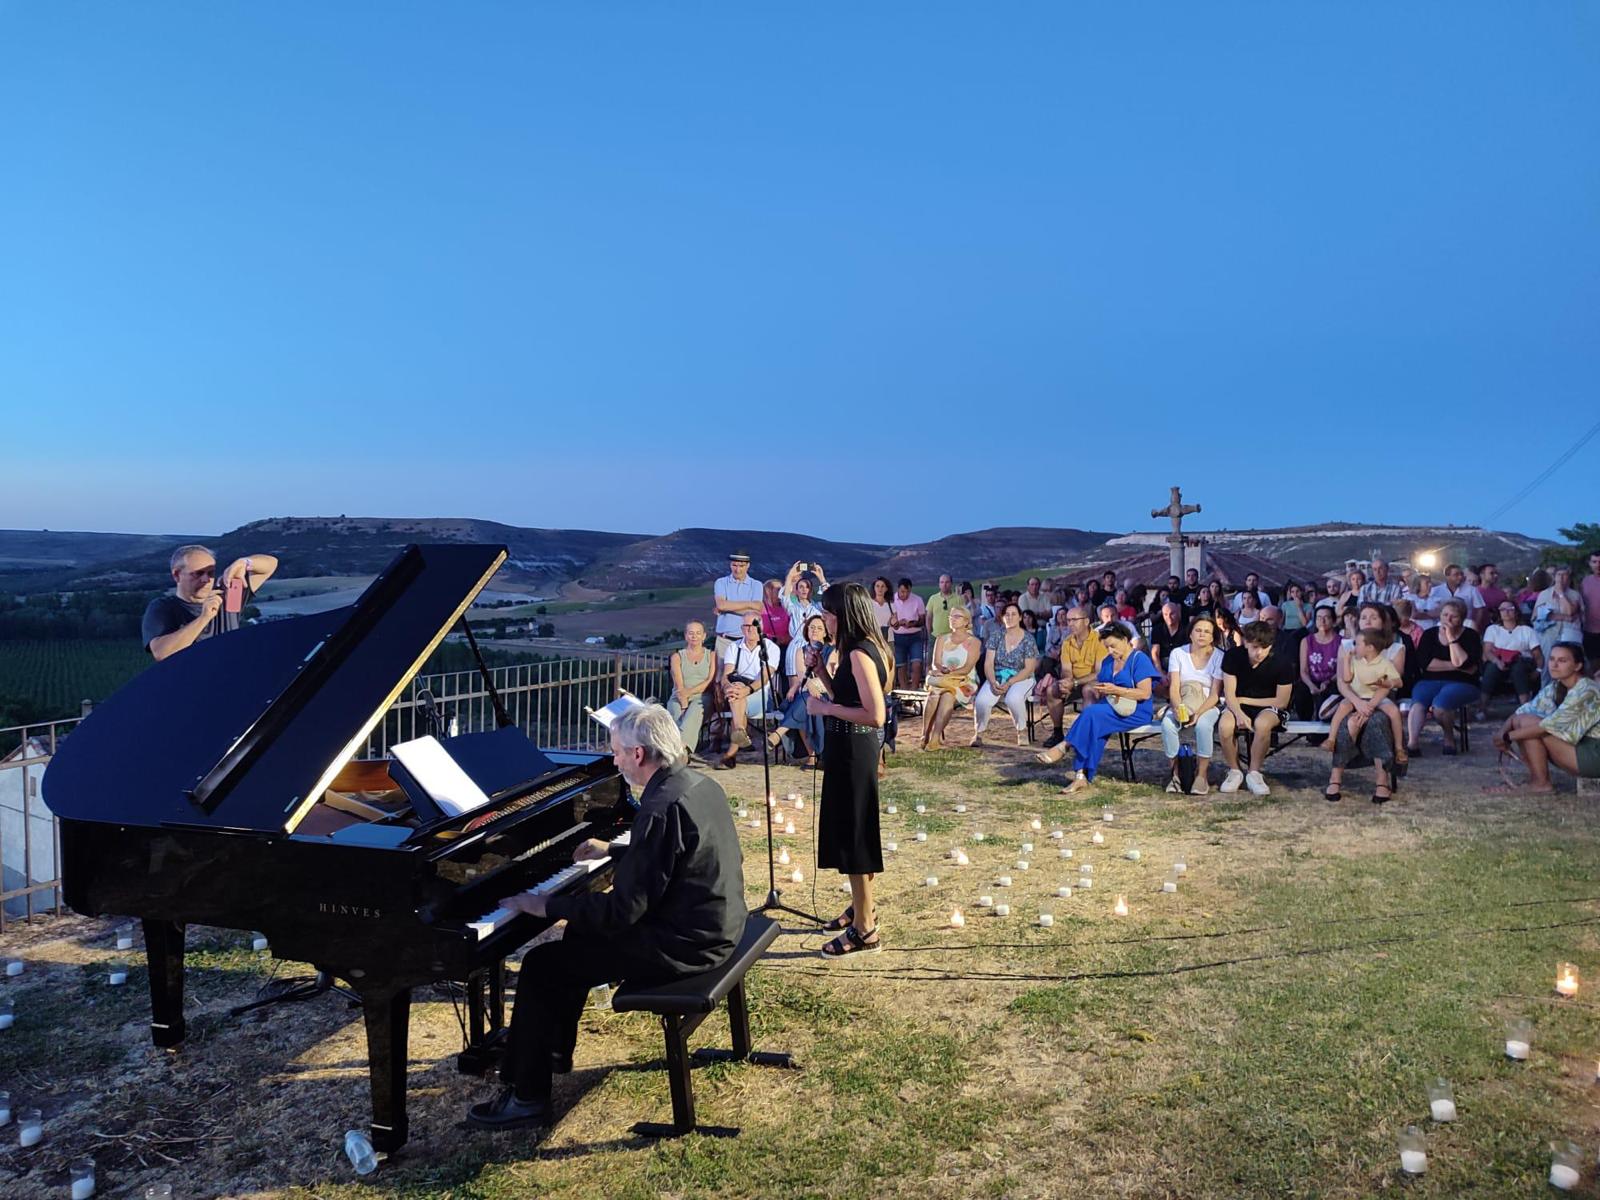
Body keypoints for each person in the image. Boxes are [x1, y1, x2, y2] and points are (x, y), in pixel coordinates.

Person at [467, 702, 745, 1130]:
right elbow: (672, 859)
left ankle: (526, 1099)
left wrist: (547, 905)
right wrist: (615, 850)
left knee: (542, 965)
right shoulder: (691, 784)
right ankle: (553, 1048)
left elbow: (622, 912)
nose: (613, 760)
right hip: (713, 923)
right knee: (578, 934)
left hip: (688, 945)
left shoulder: (658, 808)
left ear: (638, 754)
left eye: (616, 751)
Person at [808, 583, 891, 958]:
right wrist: (822, 674)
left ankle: (865, 929)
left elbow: (875, 714)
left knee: (855, 835)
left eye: (827, 612)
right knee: (851, 829)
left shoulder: (859, 654)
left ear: (842, 615)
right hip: (848, 746)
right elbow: (849, 697)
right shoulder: (864, 649)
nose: (823, 618)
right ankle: (862, 906)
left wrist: (824, 710)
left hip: (855, 749)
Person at [1058, 622, 1160, 793]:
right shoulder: (1107, 661)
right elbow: (1102, 683)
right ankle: (1081, 775)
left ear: (1125, 639)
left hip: (1136, 711)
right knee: (1094, 725)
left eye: (1113, 646)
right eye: (1107, 647)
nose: (1110, 651)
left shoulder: (1139, 659)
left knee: (1091, 714)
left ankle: (1065, 745)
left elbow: (1145, 693)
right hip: (1111, 707)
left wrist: (1116, 689)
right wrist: (1100, 689)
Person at [1489, 643, 1600, 792]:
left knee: (1529, 724)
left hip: (1594, 751)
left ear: (1577, 666)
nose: (1554, 665)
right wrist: (1501, 733)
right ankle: (1538, 781)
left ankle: (1541, 783)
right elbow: (1522, 711)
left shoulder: (1586, 688)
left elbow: (1549, 727)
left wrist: (1507, 736)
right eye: (1552, 659)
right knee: (1522, 720)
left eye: (1562, 661)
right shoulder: (1556, 686)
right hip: (1579, 749)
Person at [142, 544, 279, 660]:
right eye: (198, 573)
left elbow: (271, 564)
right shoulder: (163, 607)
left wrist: (244, 563)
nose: (206, 579)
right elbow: (162, 653)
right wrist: (204, 617)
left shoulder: (228, 595)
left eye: (211, 573)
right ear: (177, 575)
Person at [1217, 621, 1296, 795]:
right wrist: (1238, 714)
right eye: (1254, 647)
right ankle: (1234, 771)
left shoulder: (1282, 662)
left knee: (1263, 724)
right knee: (1225, 725)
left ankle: (1254, 773)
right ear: (1245, 642)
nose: (1259, 652)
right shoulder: (1232, 656)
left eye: (1264, 647)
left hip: (1268, 705)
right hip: (1237, 703)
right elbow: (1229, 694)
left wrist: (1247, 700)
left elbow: (1282, 701)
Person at [1405, 599, 1482, 756]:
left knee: (1441, 705)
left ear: (1461, 619)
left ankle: (1449, 737)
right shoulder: (1429, 635)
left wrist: (1452, 638)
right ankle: (1413, 743)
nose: (1448, 619)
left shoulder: (1471, 636)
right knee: (1418, 703)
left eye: (1453, 616)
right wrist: (1458, 667)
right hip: (1429, 680)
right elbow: (1426, 664)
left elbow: (1470, 664)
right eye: (1445, 615)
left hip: (1463, 682)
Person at [1160, 615, 1224, 794]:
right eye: (1198, 630)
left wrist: (1198, 713)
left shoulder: (1219, 656)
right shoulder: (1178, 654)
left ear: (1213, 637)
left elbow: (1215, 694)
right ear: (1190, 634)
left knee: (1204, 725)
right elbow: (1174, 687)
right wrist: (1179, 708)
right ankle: (1176, 773)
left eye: (1207, 631)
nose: (1202, 635)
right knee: (1167, 724)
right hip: (1183, 700)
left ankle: (1201, 775)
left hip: (1207, 704)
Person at [1034, 607, 1104, 756]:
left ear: (1086, 621)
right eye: (1068, 620)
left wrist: (1076, 683)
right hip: (1075, 681)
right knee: (1052, 690)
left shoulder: (1099, 640)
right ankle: (1058, 733)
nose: (1070, 623)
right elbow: (1066, 669)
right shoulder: (1067, 642)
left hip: (1094, 682)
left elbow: (1099, 672)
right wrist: (1066, 682)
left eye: (1074, 620)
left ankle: (1086, 736)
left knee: (1088, 690)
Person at [1322, 629, 1402, 754]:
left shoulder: (1384, 663)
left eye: (1358, 644)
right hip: (1357, 696)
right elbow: (1347, 679)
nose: (1355, 647)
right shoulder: (1355, 661)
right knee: (1343, 706)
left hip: (1375, 697)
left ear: (1370, 647)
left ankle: (1399, 747)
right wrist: (1346, 661)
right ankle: (1331, 739)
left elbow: (1398, 682)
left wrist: (1387, 683)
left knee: (1394, 711)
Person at [972, 602, 1039, 748]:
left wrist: (1010, 683)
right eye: (1006, 614)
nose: (1010, 617)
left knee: (1013, 698)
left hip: (1022, 677)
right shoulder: (996, 636)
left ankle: (1021, 730)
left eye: (1014, 614)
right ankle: (979, 732)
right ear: (1002, 618)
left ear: (1020, 617)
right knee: (982, 700)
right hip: (998, 676)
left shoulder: (1028, 639)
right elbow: (988, 663)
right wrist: (992, 681)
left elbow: (1029, 668)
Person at [770, 614, 832, 767]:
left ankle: (780, 732)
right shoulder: (800, 651)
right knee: (805, 701)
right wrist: (804, 685)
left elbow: (831, 679)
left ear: (825, 632)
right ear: (806, 630)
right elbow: (801, 676)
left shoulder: (832, 650)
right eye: (811, 627)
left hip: (827, 693)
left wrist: (811, 684)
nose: (815, 631)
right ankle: (813, 754)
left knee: (804, 700)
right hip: (807, 693)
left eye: (819, 628)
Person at [717, 617, 779, 768]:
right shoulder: (734, 647)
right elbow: (726, 675)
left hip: (760, 694)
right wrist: (727, 687)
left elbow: (765, 677)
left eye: (754, 625)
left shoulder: (770, 648)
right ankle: (739, 733)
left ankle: (732, 751)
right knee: (736, 692)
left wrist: (747, 690)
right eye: (746, 625)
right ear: (742, 628)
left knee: (737, 697)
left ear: (761, 627)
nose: (750, 628)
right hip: (737, 691)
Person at [921, 606, 982, 750]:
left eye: (957, 616)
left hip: (964, 681)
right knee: (934, 694)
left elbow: (967, 668)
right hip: (943, 678)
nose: (952, 619)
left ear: (966, 621)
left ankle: (935, 737)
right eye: (951, 616)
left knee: (947, 695)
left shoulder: (974, 642)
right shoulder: (942, 638)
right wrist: (940, 670)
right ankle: (925, 734)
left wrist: (948, 675)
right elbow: (936, 663)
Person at [1478, 601, 1542, 719]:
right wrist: (1497, 661)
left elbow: (1537, 653)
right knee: (1492, 668)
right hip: (1498, 659)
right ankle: (1482, 708)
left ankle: (1525, 708)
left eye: (1510, 609)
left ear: (1516, 612)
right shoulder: (1493, 629)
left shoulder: (1526, 630)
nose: (1506, 612)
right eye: (1502, 609)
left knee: (1518, 668)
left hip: (1521, 660)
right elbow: (1487, 651)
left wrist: (1539, 669)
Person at [667, 621, 716, 755]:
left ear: (704, 636)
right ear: (686, 636)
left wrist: (689, 693)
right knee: (676, 712)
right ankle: (676, 751)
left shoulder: (711, 656)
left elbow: (709, 681)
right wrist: (683, 703)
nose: (694, 636)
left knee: (695, 710)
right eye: (691, 633)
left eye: (698, 633)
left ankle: (682, 751)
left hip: (702, 697)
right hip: (679, 696)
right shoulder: (677, 657)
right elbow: (678, 684)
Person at [1534, 565, 1584, 680]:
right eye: (1558, 575)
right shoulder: (1544, 594)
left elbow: (1570, 611)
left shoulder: (1574, 594)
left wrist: (1561, 594)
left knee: (1570, 665)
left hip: (1570, 634)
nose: (1561, 578)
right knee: (1549, 665)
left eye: (1564, 575)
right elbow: (1538, 616)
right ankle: (1546, 693)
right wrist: (1563, 617)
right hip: (1549, 634)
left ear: (1569, 578)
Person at [712, 552, 763, 655]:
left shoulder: (756, 585)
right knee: (723, 671)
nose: (737, 569)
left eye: (741, 566)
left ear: (748, 565)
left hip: (748, 640)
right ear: (730, 565)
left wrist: (727, 607)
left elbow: (757, 610)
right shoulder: (721, 582)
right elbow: (721, 605)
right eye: (734, 565)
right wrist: (750, 604)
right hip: (725, 640)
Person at [1299, 605, 1343, 720]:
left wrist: (1328, 681)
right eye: (1318, 618)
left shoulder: (1341, 641)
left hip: (1333, 680)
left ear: (1333, 621)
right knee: (1301, 691)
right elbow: (1303, 670)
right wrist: (1311, 686)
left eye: (1326, 617)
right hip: (1312, 679)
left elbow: (1342, 669)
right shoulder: (1306, 641)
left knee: (1332, 691)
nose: (1322, 621)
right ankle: (1306, 724)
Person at [780, 561, 827, 643]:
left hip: (815, 644)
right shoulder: (793, 608)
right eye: (801, 587)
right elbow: (785, 598)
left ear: (811, 590)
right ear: (796, 591)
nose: (804, 589)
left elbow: (830, 601)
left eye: (807, 587)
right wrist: (790, 576)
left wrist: (822, 579)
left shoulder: (818, 607)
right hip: (796, 645)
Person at [1147, 601, 1189, 683]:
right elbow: (1155, 653)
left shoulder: (1186, 630)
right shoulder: (1157, 629)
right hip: (1162, 663)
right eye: (1165, 614)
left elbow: (1188, 654)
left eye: (1172, 614)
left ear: (1178, 613)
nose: (1169, 617)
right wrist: (1160, 673)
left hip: (1181, 664)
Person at [926, 574, 961, 649]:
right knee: (933, 660)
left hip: (952, 637)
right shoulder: (933, 598)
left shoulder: (958, 599)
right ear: (939, 584)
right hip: (935, 636)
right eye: (942, 582)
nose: (944, 585)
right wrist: (929, 633)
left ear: (951, 584)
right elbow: (929, 617)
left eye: (947, 582)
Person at [1475, 563, 1508, 631]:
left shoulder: (1501, 594)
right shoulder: (1474, 592)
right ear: (1482, 575)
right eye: (1491, 573)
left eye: (1496, 573)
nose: (1495, 576)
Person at [1582, 552, 1600, 667]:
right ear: (1590, 564)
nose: (1598, 565)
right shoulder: (1585, 582)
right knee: (1593, 667)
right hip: (1590, 632)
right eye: (1594, 562)